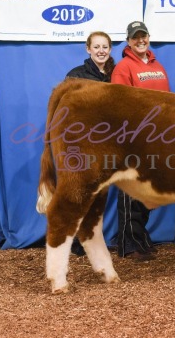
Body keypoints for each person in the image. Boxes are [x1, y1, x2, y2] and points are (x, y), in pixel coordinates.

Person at [111, 21, 171, 261]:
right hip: (134, 137)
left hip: (157, 137)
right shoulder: (123, 67)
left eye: (143, 36)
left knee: (146, 190)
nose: (140, 40)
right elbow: (119, 104)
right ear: (128, 41)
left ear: (148, 37)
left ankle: (140, 236)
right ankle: (128, 243)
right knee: (129, 190)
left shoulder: (158, 66)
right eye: (135, 37)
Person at [65, 31, 115, 256]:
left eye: (105, 46)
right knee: (83, 190)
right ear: (88, 49)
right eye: (96, 47)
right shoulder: (76, 76)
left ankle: (96, 239)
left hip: (112, 142)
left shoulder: (117, 74)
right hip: (86, 141)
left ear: (110, 49)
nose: (101, 51)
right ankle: (77, 241)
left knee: (101, 192)